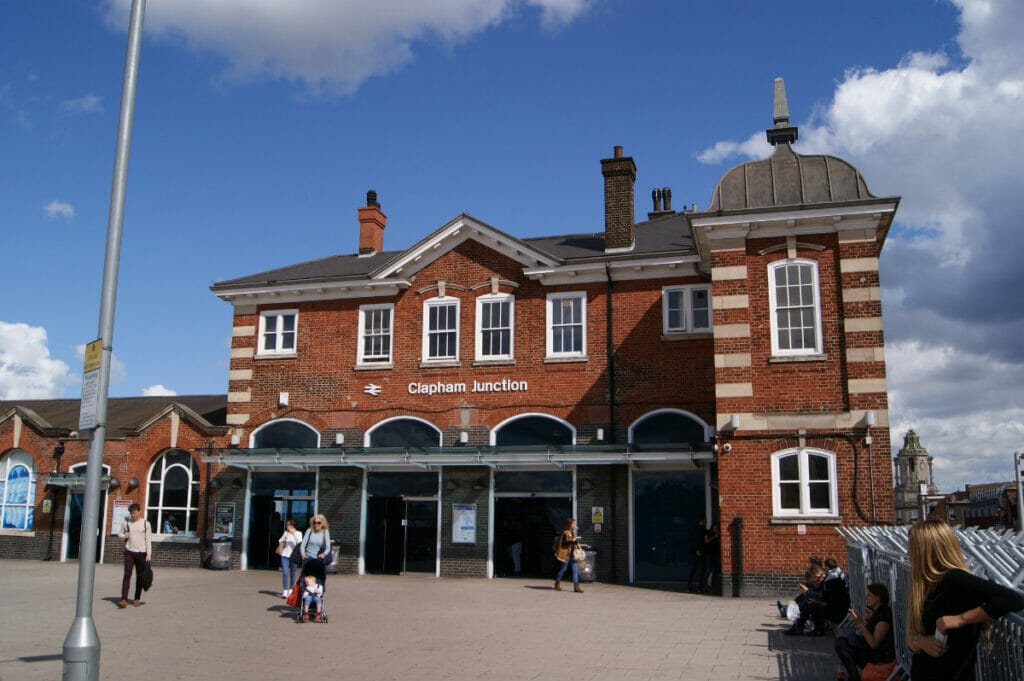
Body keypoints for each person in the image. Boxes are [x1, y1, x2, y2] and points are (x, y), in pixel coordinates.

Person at [905, 518, 1024, 681]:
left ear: (927, 549)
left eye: (912, 547)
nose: (908, 553)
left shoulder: (955, 578)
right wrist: (921, 641)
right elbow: (911, 637)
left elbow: (1013, 599)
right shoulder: (924, 585)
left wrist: (961, 619)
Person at [835, 583, 895, 681]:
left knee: (841, 644)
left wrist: (860, 623)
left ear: (878, 598)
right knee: (842, 641)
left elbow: (874, 644)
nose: (866, 598)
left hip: (879, 657)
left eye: (869, 595)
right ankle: (853, 676)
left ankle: (854, 677)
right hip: (871, 651)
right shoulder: (877, 611)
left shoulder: (884, 616)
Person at [119, 503, 153, 609]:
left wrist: (149, 554)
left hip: (141, 553)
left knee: (139, 576)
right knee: (127, 575)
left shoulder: (145, 524)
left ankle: (137, 598)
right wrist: (124, 535)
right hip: (129, 551)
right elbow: (119, 534)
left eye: (134, 513)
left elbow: (148, 539)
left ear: (139, 512)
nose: (133, 515)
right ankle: (123, 599)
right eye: (131, 513)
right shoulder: (126, 523)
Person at [784, 564, 828, 635]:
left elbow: (822, 597)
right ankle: (797, 627)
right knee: (805, 603)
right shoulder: (816, 583)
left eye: (818, 577)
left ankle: (815, 630)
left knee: (810, 604)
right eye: (816, 578)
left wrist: (808, 592)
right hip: (822, 603)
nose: (818, 579)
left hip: (828, 606)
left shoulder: (825, 582)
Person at [553, 518, 583, 593]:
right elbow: (563, 544)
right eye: (573, 524)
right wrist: (572, 541)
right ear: (570, 524)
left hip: (573, 555)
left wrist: (576, 541)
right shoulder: (565, 533)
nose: (575, 525)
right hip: (566, 555)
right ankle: (557, 582)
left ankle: (576, 587)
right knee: (563, 569)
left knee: (575, 570)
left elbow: (572, 543)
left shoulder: (572, 533)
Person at [277, 518, 303, 598]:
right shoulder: (286, 533)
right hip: (285, 555)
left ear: (292, 525)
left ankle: (291, 589)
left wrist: (293, 533)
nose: (287, 526)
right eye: (287, 525)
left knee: (293, 573)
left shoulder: (298, 533)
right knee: (285, 572)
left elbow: (300, 542)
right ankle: (285, 590)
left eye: (288, 525)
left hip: (294, 556)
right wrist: (284, 537)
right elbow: (280, 541)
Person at [688, 516, 707, 593]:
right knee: (702, 569)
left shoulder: (693, 528)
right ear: (702, 520)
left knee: (694, 568)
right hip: (700, 550)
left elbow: (692, 538)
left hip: (694, 550)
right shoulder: (702, 529)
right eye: (705, 520)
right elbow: (704, 541)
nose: (706, 522)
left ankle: (690, 585)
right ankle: (701, 586)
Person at [702, 521, 720, 593]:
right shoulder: (708, 533)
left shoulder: (719, 533)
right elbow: (706, 541)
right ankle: (704, 585)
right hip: (710, 553)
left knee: (716, 570)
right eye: (714, 527)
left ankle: (713, 586)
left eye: (717, 528)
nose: (715, 529)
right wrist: (714, 537)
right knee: (709, 569)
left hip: (717, 554)